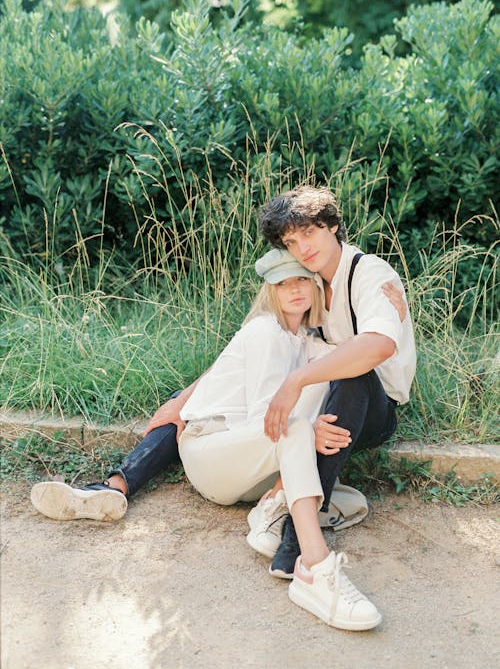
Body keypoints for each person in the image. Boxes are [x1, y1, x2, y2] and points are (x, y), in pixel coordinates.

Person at [31, 249, 383, 630]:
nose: (295, 290)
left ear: (315, 287)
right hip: (213, 450)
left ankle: (272, 509)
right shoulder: (264, 332)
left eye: (302, 280)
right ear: (271, 292)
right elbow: (269, 419)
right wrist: (310, 431)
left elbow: (349, 361)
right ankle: (315, 566)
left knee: (351, 499)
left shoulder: (308, 343)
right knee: (294, 427)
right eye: (283, 284)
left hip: (249, 468)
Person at [257, 185, 416, 581]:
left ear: (331, 226)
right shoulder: (306, 282)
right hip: (323, 407)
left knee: (354, 372)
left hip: (373, 412)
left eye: (308, 232)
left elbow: (378, 345)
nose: (302, 247)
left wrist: (298, 380)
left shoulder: (370, 272)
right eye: (291, 241)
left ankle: (296, 537)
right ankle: (288, 506)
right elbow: (268, 339)